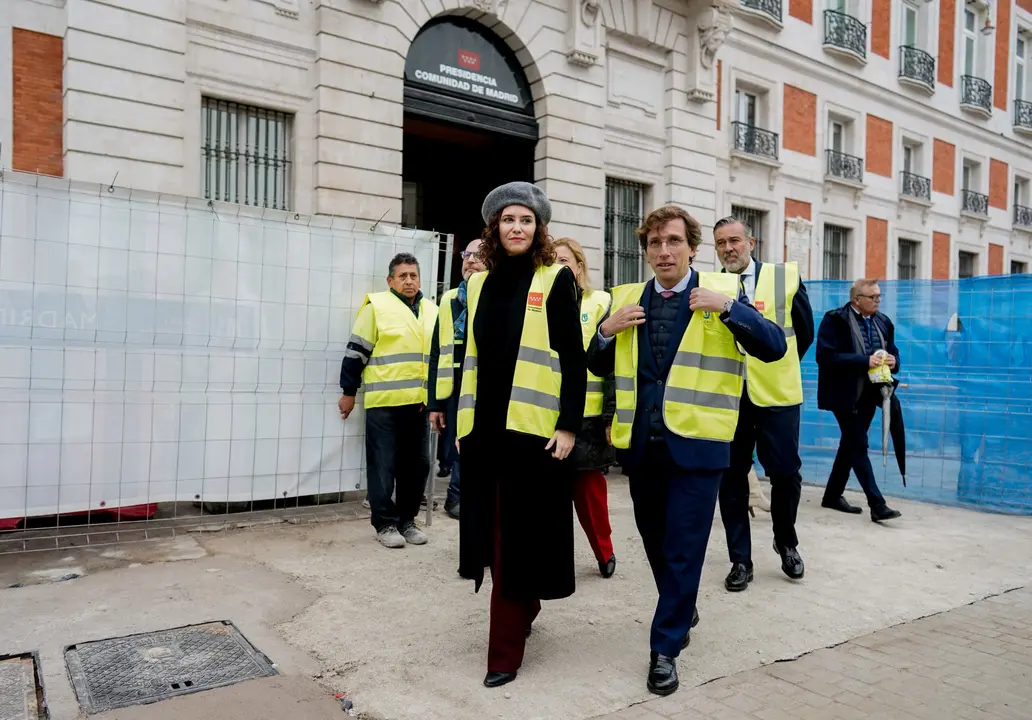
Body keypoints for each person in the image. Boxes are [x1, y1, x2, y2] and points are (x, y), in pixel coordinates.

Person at [587, 205, 786, 696]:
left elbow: (774, 346)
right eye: (654, 244)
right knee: (656, 542)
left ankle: (665, 649)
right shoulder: (626, 297)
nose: (664, 251)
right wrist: (605, 332)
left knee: (684, 548)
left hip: (700, 447)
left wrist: (729, 308)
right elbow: (592, 363)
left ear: (691, 247)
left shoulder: (728, 291)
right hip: (642, 446)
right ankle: (681, 603)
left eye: (673, 241)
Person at [455, 182, 585, 689]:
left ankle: (503, 651)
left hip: (532, 433)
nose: (517, 228)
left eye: (526, 221)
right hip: (485, 429)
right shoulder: (479, 284)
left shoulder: (556, 279)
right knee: (494, 533)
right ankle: (525, 602)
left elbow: (572, 359)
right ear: (495, 227)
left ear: (538, 229)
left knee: (514, 536)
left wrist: (569, 424)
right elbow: (472, 358)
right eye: (509, 220)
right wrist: (462, 421)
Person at [712, 216, 815, 592]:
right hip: (728, 396)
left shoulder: (784, 277)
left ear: (751, 243)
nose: (729, 249)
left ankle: (786, 540)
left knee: (786, 472)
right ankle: (740, 559)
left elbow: (804, 334)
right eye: (721, 243)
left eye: (735, 240)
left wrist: (779, 366)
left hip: (778, 393)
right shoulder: (710, 284)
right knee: (731, 476)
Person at [338, 253, 438, 549]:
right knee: (383, 465)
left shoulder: (433, 310)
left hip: (419, 404)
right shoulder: (377, 307)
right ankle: (384, 524)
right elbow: (356, 352)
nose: (409, 280)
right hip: (384, 403)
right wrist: (348, 392)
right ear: (390, 280)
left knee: (417, 466)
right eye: (402, 276)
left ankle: (407, 521)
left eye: (414, 275)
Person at [554, 237, 617, 578]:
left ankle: (604, 552)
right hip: (546, 415)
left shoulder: (600, 302)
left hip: (589, 418)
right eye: (552, 261)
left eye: (565, 260)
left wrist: (610, 414)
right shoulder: (538, 302)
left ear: (579, 266)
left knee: (590, 495)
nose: (559, 266)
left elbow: (612, 364)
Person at [816, 278, 903, 522]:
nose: (878, 300)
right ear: (857, 299)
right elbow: (825, 356)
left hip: (871, 393)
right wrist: (864, 361)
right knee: (858, 444)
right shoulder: (835, 320)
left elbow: (893, 350)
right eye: (873, 297)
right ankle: (877, 503)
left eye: (879, 296)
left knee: (851, 444)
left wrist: (894, 362)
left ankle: (832, 495)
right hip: (843, 393)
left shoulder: (883, 321)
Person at [427, 239, 487, 520]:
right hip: (455, 386)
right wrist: (434, 404)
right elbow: (437, 351)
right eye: (467, 254)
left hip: (487, 384)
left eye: (479, 255)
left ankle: (465, 496)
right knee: (460, 443)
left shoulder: (497, 295)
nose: (470, 260)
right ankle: (456, 498)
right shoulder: (450, 299)